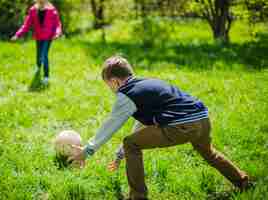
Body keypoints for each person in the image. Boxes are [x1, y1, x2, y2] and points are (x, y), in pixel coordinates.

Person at [70, 56, 251, 200]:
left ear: (115, 81)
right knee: (208, 152)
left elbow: (110, 125)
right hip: (203, 119)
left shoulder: (126, 94)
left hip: (181, 125)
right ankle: (243, 182)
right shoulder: (146, 84)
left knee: (131, 144)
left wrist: (87, 151)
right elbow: (143, 124)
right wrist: (120, 155)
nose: (110, 90)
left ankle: (138, 196)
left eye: (108, 85)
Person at [11, 0, 62, 85]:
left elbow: (57, 24)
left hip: (48, 37)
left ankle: (46, 77)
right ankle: (38, 67)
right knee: (39, 56)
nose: (41, 2)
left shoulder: (52, 11)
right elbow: (26, 25)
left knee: (44, 55)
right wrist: (17, 35)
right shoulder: (33, 10)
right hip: (38, 37)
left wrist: (57, 33)